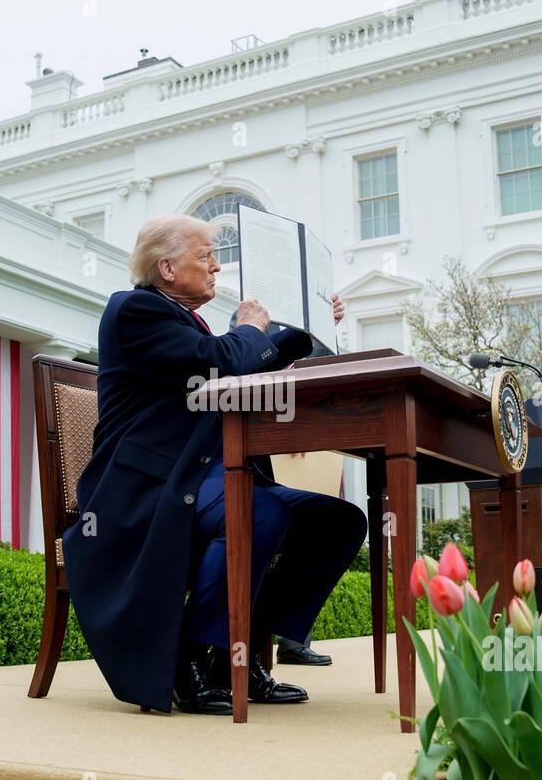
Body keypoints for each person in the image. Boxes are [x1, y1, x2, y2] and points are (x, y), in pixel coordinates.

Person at [60, 214, 368, 714]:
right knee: (260, 512)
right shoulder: (134, 309)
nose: (217, 267)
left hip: (201, 475)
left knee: (338, 521)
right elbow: (220, 362)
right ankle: (195, 655)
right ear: (165, 267)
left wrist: (305, 325)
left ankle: (237, 657)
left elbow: (240, 363)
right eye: (206, 255)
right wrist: (248, 329)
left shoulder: (186, 322)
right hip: (146, 488)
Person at [226, 307, 336, 667]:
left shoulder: (301, 317)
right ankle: (253, 649)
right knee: (275, 520)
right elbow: (238, 370)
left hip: (303, 450)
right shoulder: (248, 318)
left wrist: (323, 324)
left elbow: (320, 365)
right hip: (255, 457)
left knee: (324, 524)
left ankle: (288, 640)